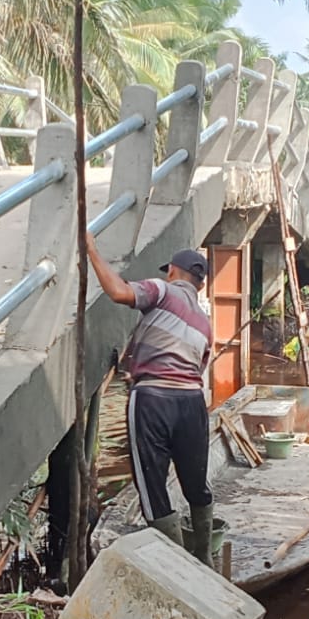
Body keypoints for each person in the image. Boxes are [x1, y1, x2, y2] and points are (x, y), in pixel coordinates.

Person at [85, 234, 215, 563]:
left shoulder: (162, 290)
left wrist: (91, 250)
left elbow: (118, 292)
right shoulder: (205, 323)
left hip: (153, 399)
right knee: (196, 484)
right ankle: (204, 558)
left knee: (152, 487)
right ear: (200, 285)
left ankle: (176, 564)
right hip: (192, 403)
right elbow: (196, 370)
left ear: (172, 271)